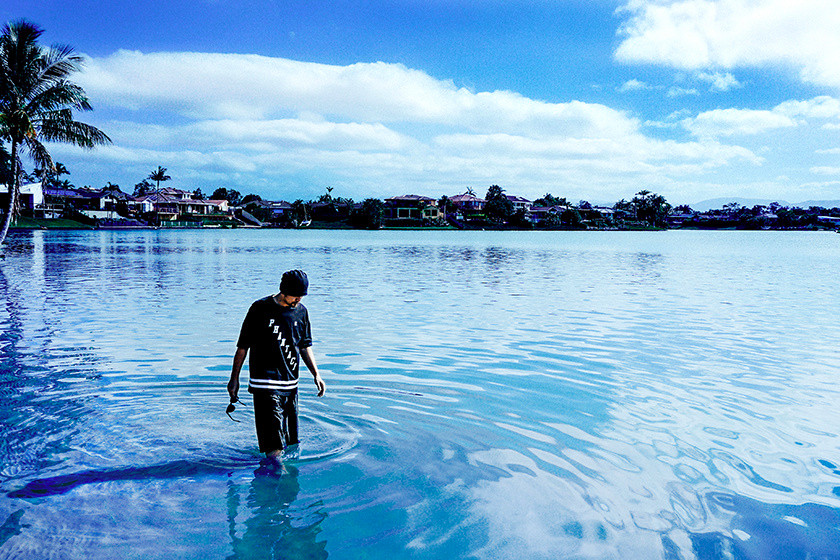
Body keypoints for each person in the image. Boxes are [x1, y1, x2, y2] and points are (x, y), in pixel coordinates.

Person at [227, 269, 326, 458]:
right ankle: (274, 477)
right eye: (295, 295)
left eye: (302, 296)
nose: (298, 299)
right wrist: (234, 379)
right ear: (283, 290)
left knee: (291, 442)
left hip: (291, 386)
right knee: (273, 446)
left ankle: (282, 477)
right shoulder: (259, 309)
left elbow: (305, 346)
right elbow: (242, 347)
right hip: (265, 385)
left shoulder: (302, 312)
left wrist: (316, 374)